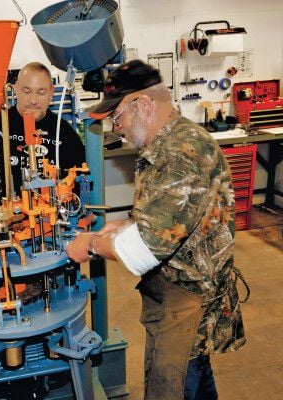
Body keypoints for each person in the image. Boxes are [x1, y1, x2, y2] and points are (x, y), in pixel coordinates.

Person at [66, 60, 246, 400]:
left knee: (173, 386)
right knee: (196, 378)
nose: (114, 128)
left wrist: (88, 244)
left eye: (116, 117)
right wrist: (130, 223)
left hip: (188, 303)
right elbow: (175, 217)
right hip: (184, 291)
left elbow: (145, 250)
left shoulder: (178, 155)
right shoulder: (171, 142)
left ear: (144, 105)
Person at [0, 62, 85, 203]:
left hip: (51, 217)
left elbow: (80, 179)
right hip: (4, 215)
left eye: (41, 92)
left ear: (51, 93)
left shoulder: (64, 132)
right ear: (15, 89)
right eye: (26, 91)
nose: (33, 100)